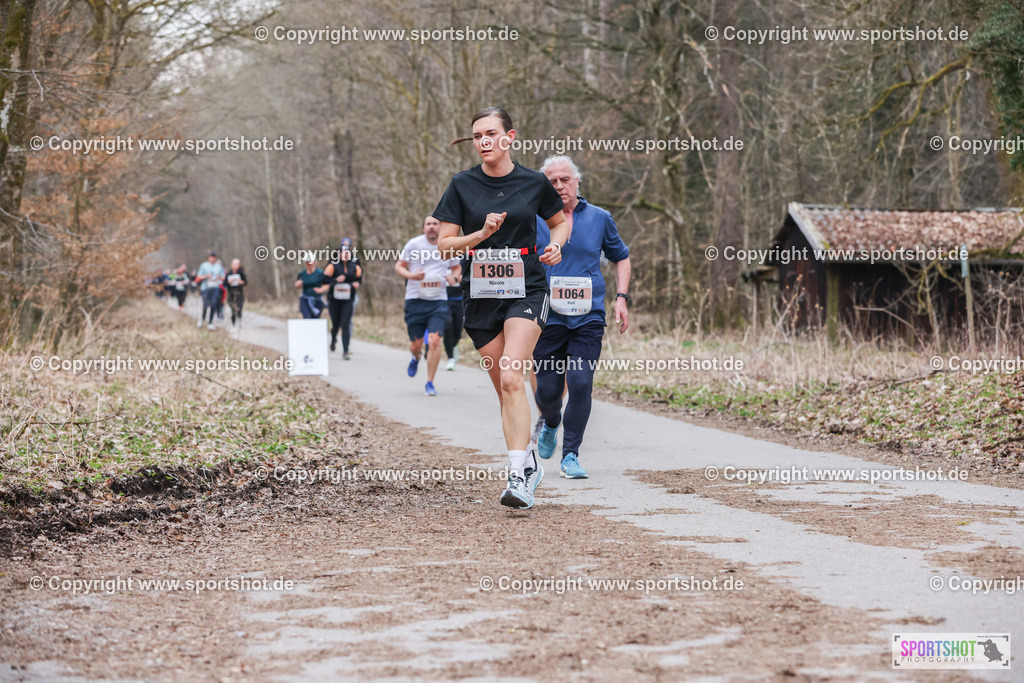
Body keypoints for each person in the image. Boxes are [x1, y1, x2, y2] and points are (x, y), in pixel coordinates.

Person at [435, 106, 568, 509]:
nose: (483, 141)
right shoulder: (462, 185)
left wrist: (556, 245)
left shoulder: (532, 182)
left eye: (491, 133)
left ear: (510, 136)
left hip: (526, 286)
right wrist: (482, 233)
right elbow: (444, 245)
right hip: (479, 295)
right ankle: (528, 462)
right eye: (477, 136)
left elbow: (560, 221)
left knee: (513, 376)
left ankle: (517, 477)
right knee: (504, 390)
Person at [533, 155, 631, 479]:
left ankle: (570, 455)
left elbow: (622, 258)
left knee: (579, 383)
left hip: (588, 316)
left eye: (565, 179)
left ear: (577, 181)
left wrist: (621, 298)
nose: (559, 186)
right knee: (547, 393)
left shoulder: (600, 218)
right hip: (547, 315)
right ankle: (550, 421)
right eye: (552, 181)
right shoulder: (534, 219)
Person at [396, 216, 453, 396]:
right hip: (415, 299)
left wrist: (455, 277)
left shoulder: (447, 245)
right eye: (428, 224)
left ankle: (430, 382)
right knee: (416, 344)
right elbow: (399, 266)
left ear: (440, 228)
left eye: (435, 224)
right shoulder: (413, 244)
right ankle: (416, 356)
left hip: (438, 300)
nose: (431, 227)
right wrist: (411, 276)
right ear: (423, 228)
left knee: (435, 340)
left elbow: (457, 268)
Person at [323, 240, 362, 358]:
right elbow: (324, 279)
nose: (345, 255)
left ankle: (345, 350)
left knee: (345, 324)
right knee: (336, 324)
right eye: (343, 253)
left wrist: (357, 283)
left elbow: (360, 277)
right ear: (339, 254)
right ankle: (334, 338)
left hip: (348, 299)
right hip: (334, 300)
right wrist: (335, 280)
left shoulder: (354, 264)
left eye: (347, 253)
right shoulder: (333, 263)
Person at [443, 257, 467, 371]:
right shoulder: (441, 255)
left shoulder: (465, 256)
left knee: (458, 330)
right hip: (443, 299)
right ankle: (450, 358)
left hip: (460, 299)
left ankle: (452, 345)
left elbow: (472, 275)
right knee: (447, 326)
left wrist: (458, 278)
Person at [195, 251, 226, 330]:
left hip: (215, 288)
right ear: (209, 258)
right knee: (205, 305)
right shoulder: (204, 266)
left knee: (213, 304)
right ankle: (202, 319)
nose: (212, 258)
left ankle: (210, 322)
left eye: (214, 257)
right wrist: (206, 276)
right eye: (211, 257)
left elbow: (224, 278)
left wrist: (219, 277)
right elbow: (198, 277)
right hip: (205, 288)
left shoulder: (219, 267)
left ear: (216, 258)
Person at [225, 259, 247, 331]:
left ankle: (239, 320)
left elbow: (246, 282)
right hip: (231, 294)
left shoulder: (241, 273)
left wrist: (241, 282)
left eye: (237, 264)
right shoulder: (229, 273)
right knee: (233, 310)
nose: (236, 266)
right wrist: (229, 282)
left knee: (239, 308)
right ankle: (233, 325)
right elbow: (224, 284)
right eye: (234, 264)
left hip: (239, 294)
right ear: (232, 264)